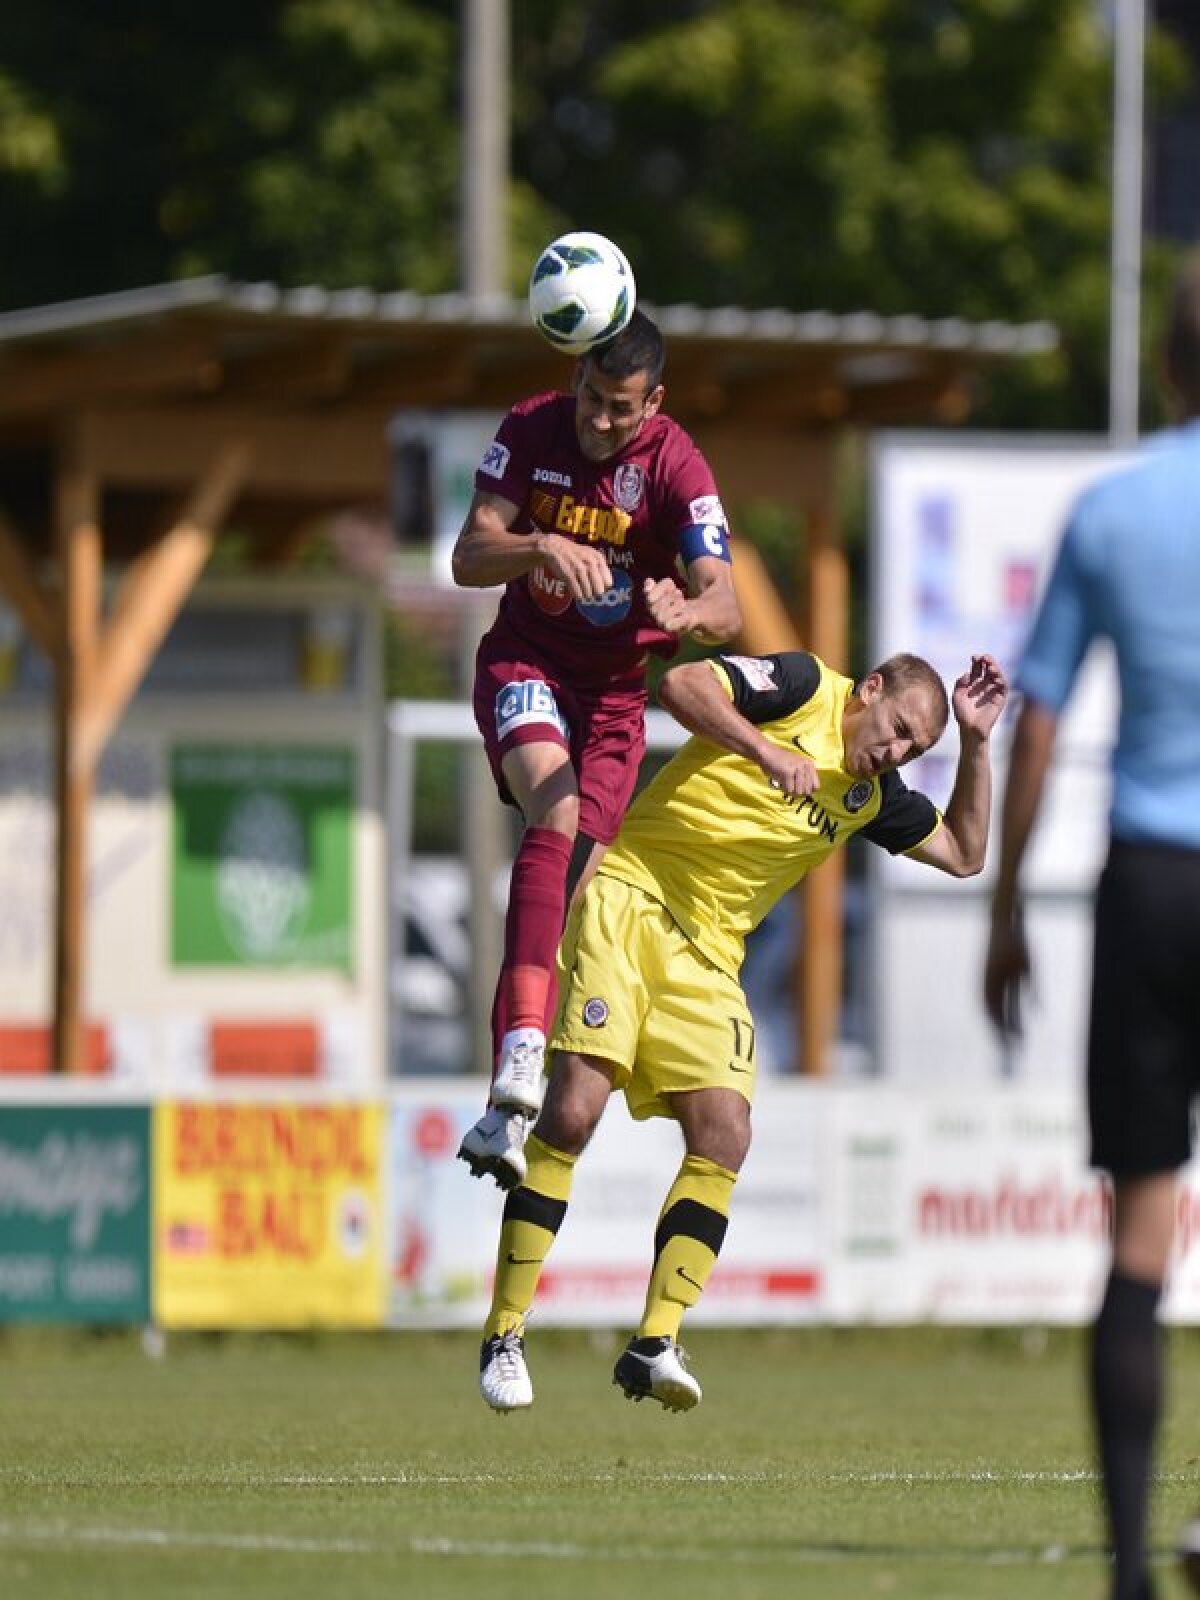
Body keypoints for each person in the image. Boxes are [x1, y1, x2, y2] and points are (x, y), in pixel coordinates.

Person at [479, 644, 1008, 1412]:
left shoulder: (869, 797)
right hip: (632, 897)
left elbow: (965, 853)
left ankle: (654, 1342)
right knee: (571, 1113)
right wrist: (761, 748)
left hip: (710, 956)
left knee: (726, 1132)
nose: (894, 753)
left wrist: (976, 742)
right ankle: (505, 1331)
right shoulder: (798, 688)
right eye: (896, 729)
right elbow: (681, 683)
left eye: (915, 749)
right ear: (869, 689)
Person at [983, 251, 1200, 1600]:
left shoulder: (1115, 513)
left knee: (1139, 1229)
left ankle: (1126, 1570)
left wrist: (1003, 906)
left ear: (1171, 363)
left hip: (1153, 882)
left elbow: (1042, 716)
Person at [451, 309, 741, 1191]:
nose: (601, 421)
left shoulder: (677, 466)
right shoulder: (531, 425)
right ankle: (521, 1054)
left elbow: (726, 603)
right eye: (591, 398)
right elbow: (467, 555)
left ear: (653, 401)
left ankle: (506, 1107)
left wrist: (688, 613)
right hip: (525, 663)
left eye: (621, 407)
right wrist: (541, 541)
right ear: (574, 379)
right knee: (557, 807)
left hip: (615, 709)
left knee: (565, 888)